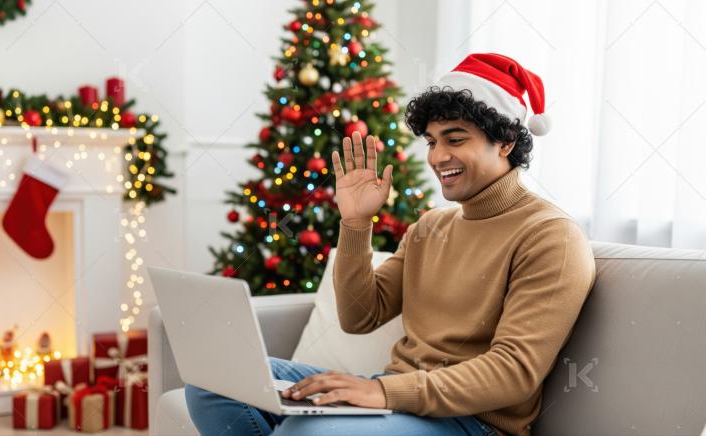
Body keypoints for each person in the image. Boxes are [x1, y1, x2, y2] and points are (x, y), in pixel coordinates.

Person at [186, 53, 596, 436]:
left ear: (506, 142)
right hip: (397, 395)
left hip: (471, 422)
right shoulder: (430, 227)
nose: (438, 157)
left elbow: (513, 373)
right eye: (432, 142)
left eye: (455, 139)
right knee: (216, 378)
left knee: (308, 430)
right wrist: (355, 223)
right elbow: (359, 317)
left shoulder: (550, 236)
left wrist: (383, 394)